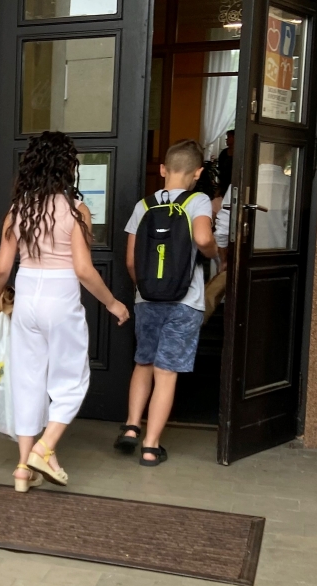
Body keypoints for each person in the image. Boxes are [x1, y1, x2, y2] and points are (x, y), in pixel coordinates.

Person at [0, 131, 129, 493]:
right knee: (71, 379)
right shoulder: (74, 210)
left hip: (25, 297)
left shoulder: (17, 210)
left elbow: (2, 269)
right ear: (67, 167)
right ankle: (44, 447)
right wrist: (113, 303)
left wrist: (1, 299)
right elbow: (84, 270)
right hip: (61, 297)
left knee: (27, 381)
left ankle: (23, 469)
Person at [115, 139, 218, 465]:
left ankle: (131, 427)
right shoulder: (198, 200)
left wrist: (144, 289)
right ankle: (151, 446)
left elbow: (131, 261)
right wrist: (216, 256)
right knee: (167, 372)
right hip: (184, 302)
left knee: (143, 363)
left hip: (146, 299)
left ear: (162, 170)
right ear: (198, 172)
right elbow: (203, 238)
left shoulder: (144, 206)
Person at [217, 129, 234, 197]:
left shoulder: (240, 153)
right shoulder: (223, 153)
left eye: (229, 137)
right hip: (224, 185)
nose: (226, 139)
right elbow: (221, 170)